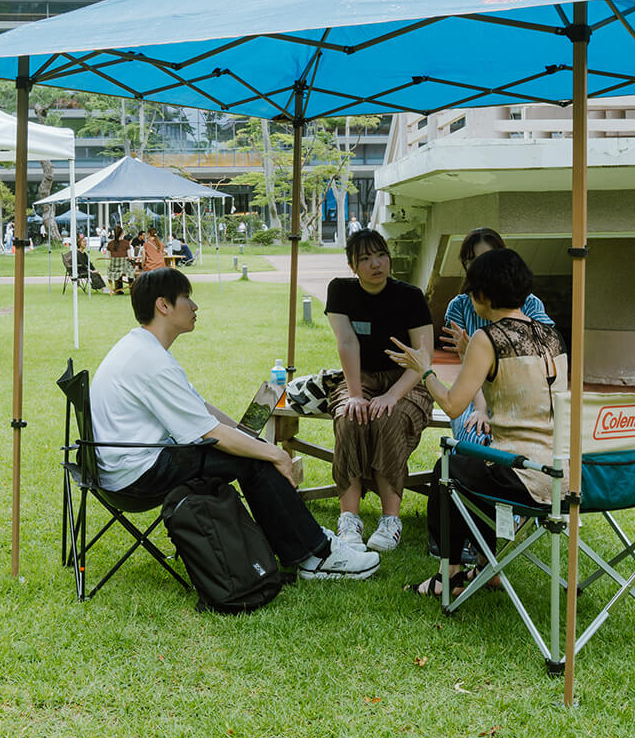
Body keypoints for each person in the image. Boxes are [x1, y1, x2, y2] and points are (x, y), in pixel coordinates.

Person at [91, 268, 380, 580]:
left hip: (125, 464)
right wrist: (274, 454)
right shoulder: (152, 362)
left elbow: (202, 408)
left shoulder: (142, 348)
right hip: (136, 474)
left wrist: (249, 438)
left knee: (252, 453)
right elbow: (211, 433)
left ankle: (305, 546)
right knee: (254, 462)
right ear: (163, 305)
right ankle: (316, 554)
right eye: (186, 297)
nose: (194, 306)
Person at [390, 248, 568, 597]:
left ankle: (450, 575)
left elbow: (453, 406)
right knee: (474, 465)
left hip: (524, 474)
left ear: (483, 294)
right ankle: (489, 567)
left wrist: (424, 369)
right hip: (567, 472)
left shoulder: (488, 339)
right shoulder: (552, 334)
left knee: (450, 467)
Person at [324, 228, 436, 553]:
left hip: (409, 377)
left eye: (381, 255)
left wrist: (392, 396)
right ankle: (349, 519)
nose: (376, 264)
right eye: (365, 258)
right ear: (352, 265)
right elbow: (346, 342)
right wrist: (357, 394)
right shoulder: (340, 291)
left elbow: (423, 357)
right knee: (349, 416)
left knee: (388, 417)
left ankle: (391, 521)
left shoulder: (410, 296)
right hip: (361, 376)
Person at [440, 227, 556, 449]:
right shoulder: (460, 305)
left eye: (486, 258)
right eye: (471, 260)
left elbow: (541, 359)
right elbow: (469, 374)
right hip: (474, 396)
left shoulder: (529, 303)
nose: (480, 267)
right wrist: (481, 409)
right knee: (475, 440)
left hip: (521, 398)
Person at [106, 226, 132, 295]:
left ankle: (118, 289)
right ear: (122, 233)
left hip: (114, 269)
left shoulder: (110, 243)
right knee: (131, 269)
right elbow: (129, 257)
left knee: (119, 268)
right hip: (124, 268)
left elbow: (110, 257)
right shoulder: (126, 243)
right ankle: (132, 288)